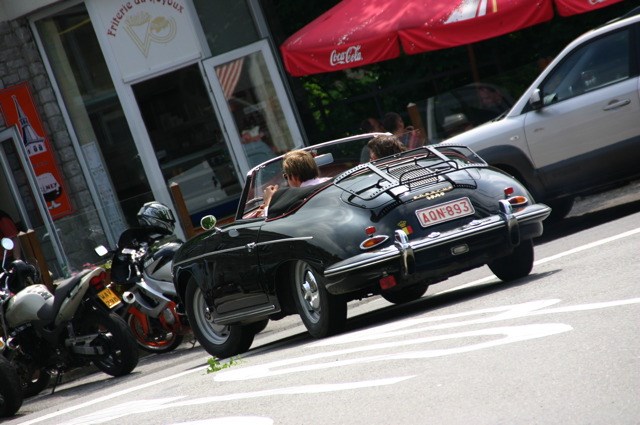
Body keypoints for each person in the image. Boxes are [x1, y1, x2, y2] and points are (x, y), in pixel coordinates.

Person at [258, 150, 330, 217]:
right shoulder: (331, 180)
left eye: (286, 176)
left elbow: (271, 219)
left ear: (293, 176)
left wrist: (269, 201)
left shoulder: (296, 199)